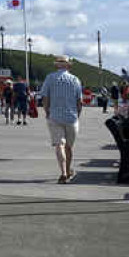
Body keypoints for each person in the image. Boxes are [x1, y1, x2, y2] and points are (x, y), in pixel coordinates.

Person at [40, 55, 83, 184]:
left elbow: (45, 98)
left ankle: (64, 172)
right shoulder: (75, 80)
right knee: (69, 147)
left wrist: (47, 111)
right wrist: (77, 115)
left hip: (55, 116)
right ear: (68, 66)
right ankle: (69, 171)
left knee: (59, 145)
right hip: (71, 117)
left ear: (57, 65)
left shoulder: (50, 78)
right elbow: (79, 101)